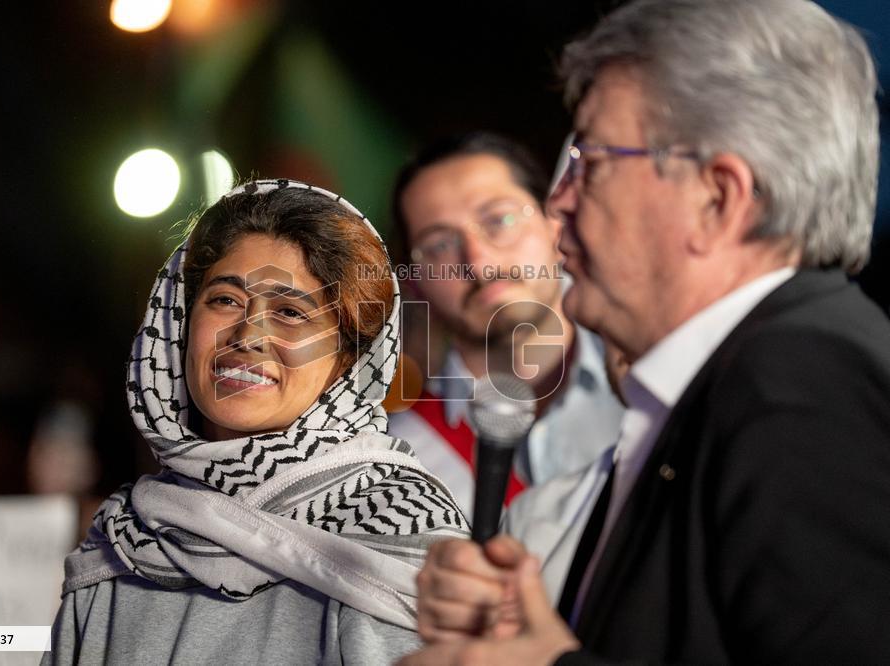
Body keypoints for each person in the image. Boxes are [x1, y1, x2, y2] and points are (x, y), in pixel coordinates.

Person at [403, 0, 890, 663]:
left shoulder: (801, 377)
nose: (559, 202)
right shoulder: (733, 382)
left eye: (591, 161)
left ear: (716, 199)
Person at [44, 179, 468, 664]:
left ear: (349, 360)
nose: (249, 334)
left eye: (291, 312)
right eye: (225, 300)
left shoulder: (402, 528)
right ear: (180, 323)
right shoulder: (127, 534)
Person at [388, 132, 624, 519]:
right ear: (414, 282)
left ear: (556, 224)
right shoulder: (397, 466)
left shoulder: (653, 387)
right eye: (439, 245)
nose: (479, 263)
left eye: (499, 220)